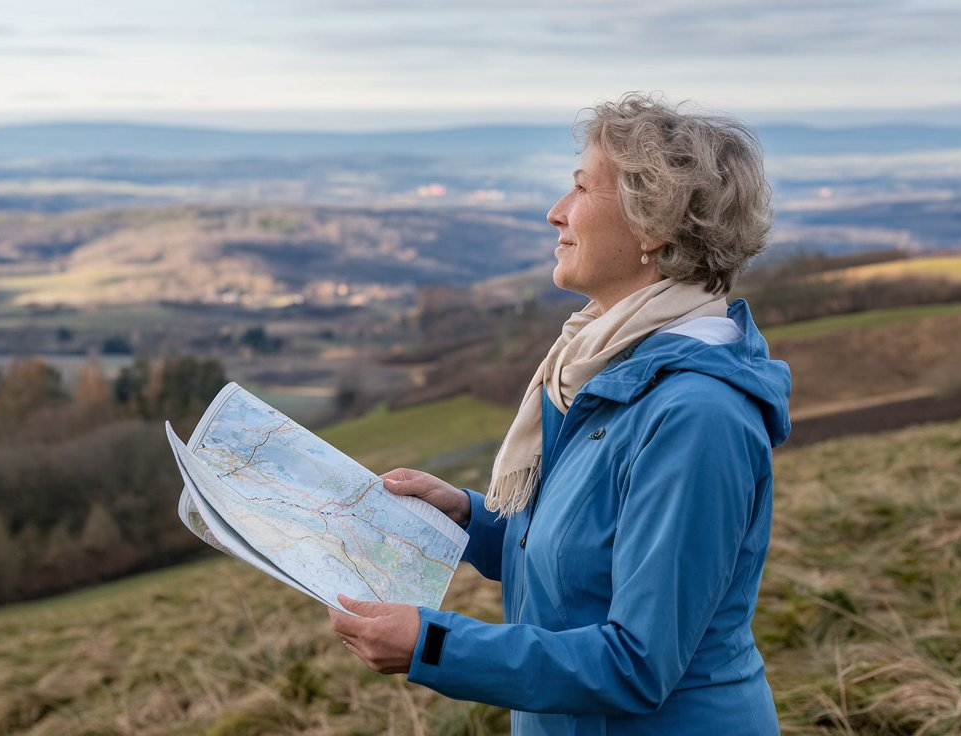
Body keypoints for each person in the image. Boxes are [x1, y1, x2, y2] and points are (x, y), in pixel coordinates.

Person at [329, 92, 792, 735]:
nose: (556, 213)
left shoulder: (697, 416)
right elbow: (577, 559)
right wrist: (467, 518)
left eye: (580, 188)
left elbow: (636, 662)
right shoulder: (596, 367)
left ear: (652, 225)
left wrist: (434, 647)